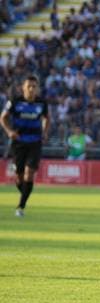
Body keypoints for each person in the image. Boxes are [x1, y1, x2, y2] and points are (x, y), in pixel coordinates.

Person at [0, 75, 50, 217]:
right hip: (18, 143)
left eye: (34, 86)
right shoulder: (15, 102)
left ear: (37, 88)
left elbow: (47, 118)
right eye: (29, 86)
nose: (31, 89)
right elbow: (2, 117)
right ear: (23, 87)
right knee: (19, 177)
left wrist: (45, 132)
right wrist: (9, 131)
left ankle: (21, 206)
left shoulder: (42, 103)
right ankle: (26, 194)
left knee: (29, 174)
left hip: (35, 142)